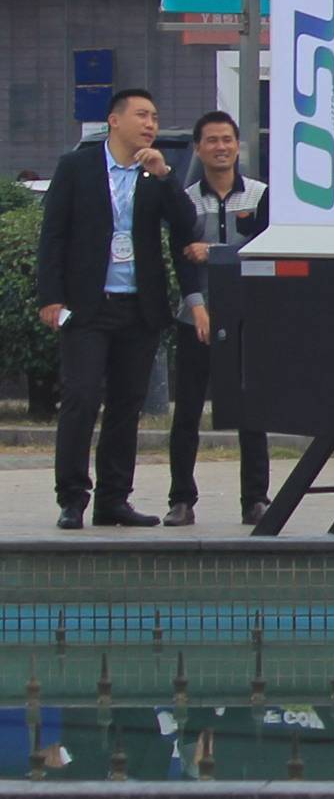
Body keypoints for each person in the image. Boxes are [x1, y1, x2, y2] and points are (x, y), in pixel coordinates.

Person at [34, 87, 205, 529]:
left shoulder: (156, 174)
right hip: (88, 305)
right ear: (115, 120)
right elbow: (52, 234)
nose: (150, 124)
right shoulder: (77, 167)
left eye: (154, 116)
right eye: (142, 115)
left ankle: (114, 499)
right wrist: (50, 297)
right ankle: (72, 498)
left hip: (139, 307)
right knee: (81, 398)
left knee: (127, 407)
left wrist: (166, 175)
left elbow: (188, 228)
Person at [169, 108, 270, 527]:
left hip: (247, 320)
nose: (220, 147)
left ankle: (256, 499)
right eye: (211, 140)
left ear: (237, 146)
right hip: (196, 318)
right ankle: (180, 500)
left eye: (227, 139)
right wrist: (197, 305)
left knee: (252, 410)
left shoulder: (263, 196)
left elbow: (264, 251)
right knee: (187, 412)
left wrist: (213, 252)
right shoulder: (185, 199)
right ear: (199, 148)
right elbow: (182, 259)